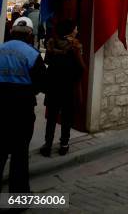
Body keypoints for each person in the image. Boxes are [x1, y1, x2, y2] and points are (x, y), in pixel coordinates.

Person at [0, 17, 46, 192]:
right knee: (20, 154)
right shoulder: (32, 54)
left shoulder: (0, 50)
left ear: (12, 32)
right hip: (22, 109)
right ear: (29, 35)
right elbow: (42, 83)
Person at [40, 19, 85, 157]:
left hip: (53, 84)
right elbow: (81, 67)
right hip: (68, 86)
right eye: (75, 28)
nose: (77, 30)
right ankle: (64, 144)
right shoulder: (75, 46)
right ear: (70, 30)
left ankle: (48, 145)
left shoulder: (51, 43)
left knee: (52, 117)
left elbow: (47, 61)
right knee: (66, 117)